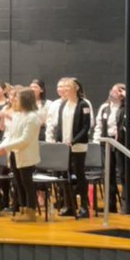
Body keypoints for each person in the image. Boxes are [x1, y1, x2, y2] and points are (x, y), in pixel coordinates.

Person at [0, 88, 41, 222]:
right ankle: (23, 209)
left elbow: (25, 140)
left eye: (17, 98)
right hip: (14, 153)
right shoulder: (18, 115)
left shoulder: (32, 117)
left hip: (26, 155)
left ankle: (30, 211)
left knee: (27, 183)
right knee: (19, 183)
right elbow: (10, 134)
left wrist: (6, 147)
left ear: (25, 100)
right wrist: (1, 146)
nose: (14, 100)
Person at [52, 77, 93, 217]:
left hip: (78, 146)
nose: (65, 90)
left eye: (68, 87)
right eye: (64, 87)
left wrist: (74, 141)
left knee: (79, 175)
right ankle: (69, 205)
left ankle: (84, 207)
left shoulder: (83, 104)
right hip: (65, 146)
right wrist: (58, 141)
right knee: (66, 175)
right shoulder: (63, 105)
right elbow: (59, 125)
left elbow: (86, 127)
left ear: (75, 88)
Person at [95, 82, 127, 212]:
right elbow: (99, 126)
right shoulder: (105, 107)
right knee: (108, 173)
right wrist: (97, 141)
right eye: (114, 91)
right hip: (106, 143)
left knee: (123, 173)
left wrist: (127, 96)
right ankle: (110, 204)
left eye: (120, 91)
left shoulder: (126, 107)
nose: (116, 93)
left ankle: (126, 204)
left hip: (121, 143)